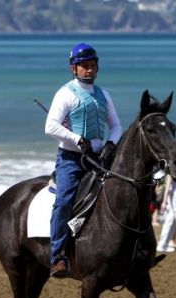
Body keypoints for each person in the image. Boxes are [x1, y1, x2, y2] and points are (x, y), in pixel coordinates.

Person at [44, 42, 122, 277]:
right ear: (73, 68)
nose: (89, 70)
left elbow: (116, 125)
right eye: (84, 66)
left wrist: (111, 143)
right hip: (71, 159)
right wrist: (77, 140)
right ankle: (57, 256)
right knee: (64, 202)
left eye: (92, 65)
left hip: (98, 158)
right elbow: (50, 126)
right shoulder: (65, 93)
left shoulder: (103, 95)